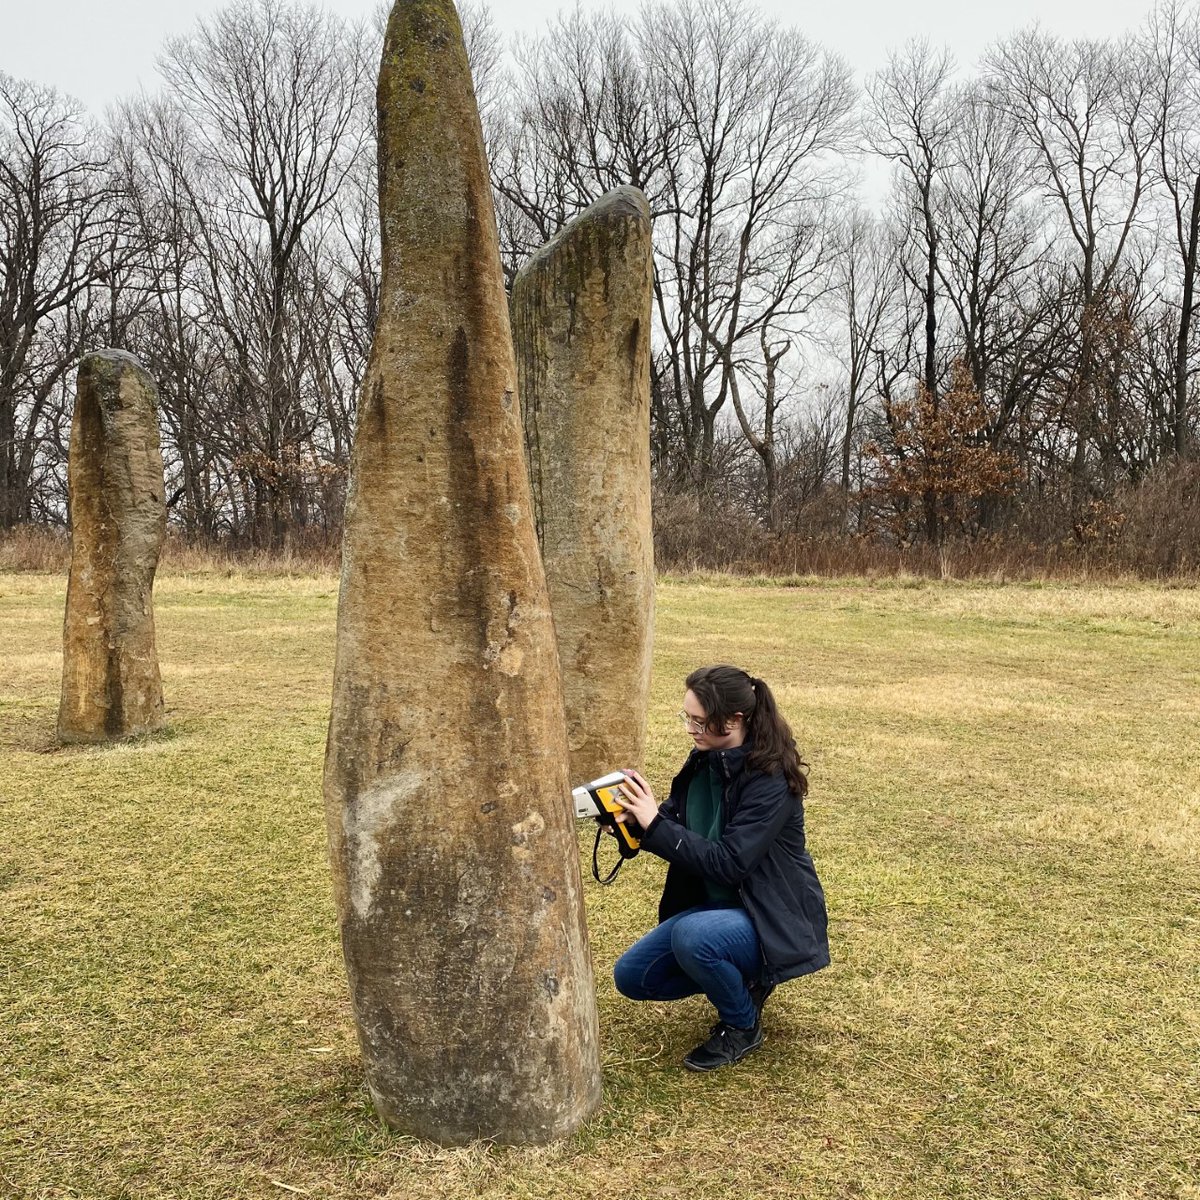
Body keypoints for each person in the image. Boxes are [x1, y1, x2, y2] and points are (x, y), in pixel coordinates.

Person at [612, 664, 829, 1072]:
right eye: (687, 718)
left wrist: (654, 823)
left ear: (733, 720)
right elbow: (674, 827)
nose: (690, 728)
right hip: (716, 912)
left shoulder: (771, 782)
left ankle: (742, 1025)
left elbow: (728, 864)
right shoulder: (704, 761)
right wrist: (630, 822)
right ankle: (742, 980)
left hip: (769, 917)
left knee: (695, 938)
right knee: (633, 976)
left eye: (698, 720)